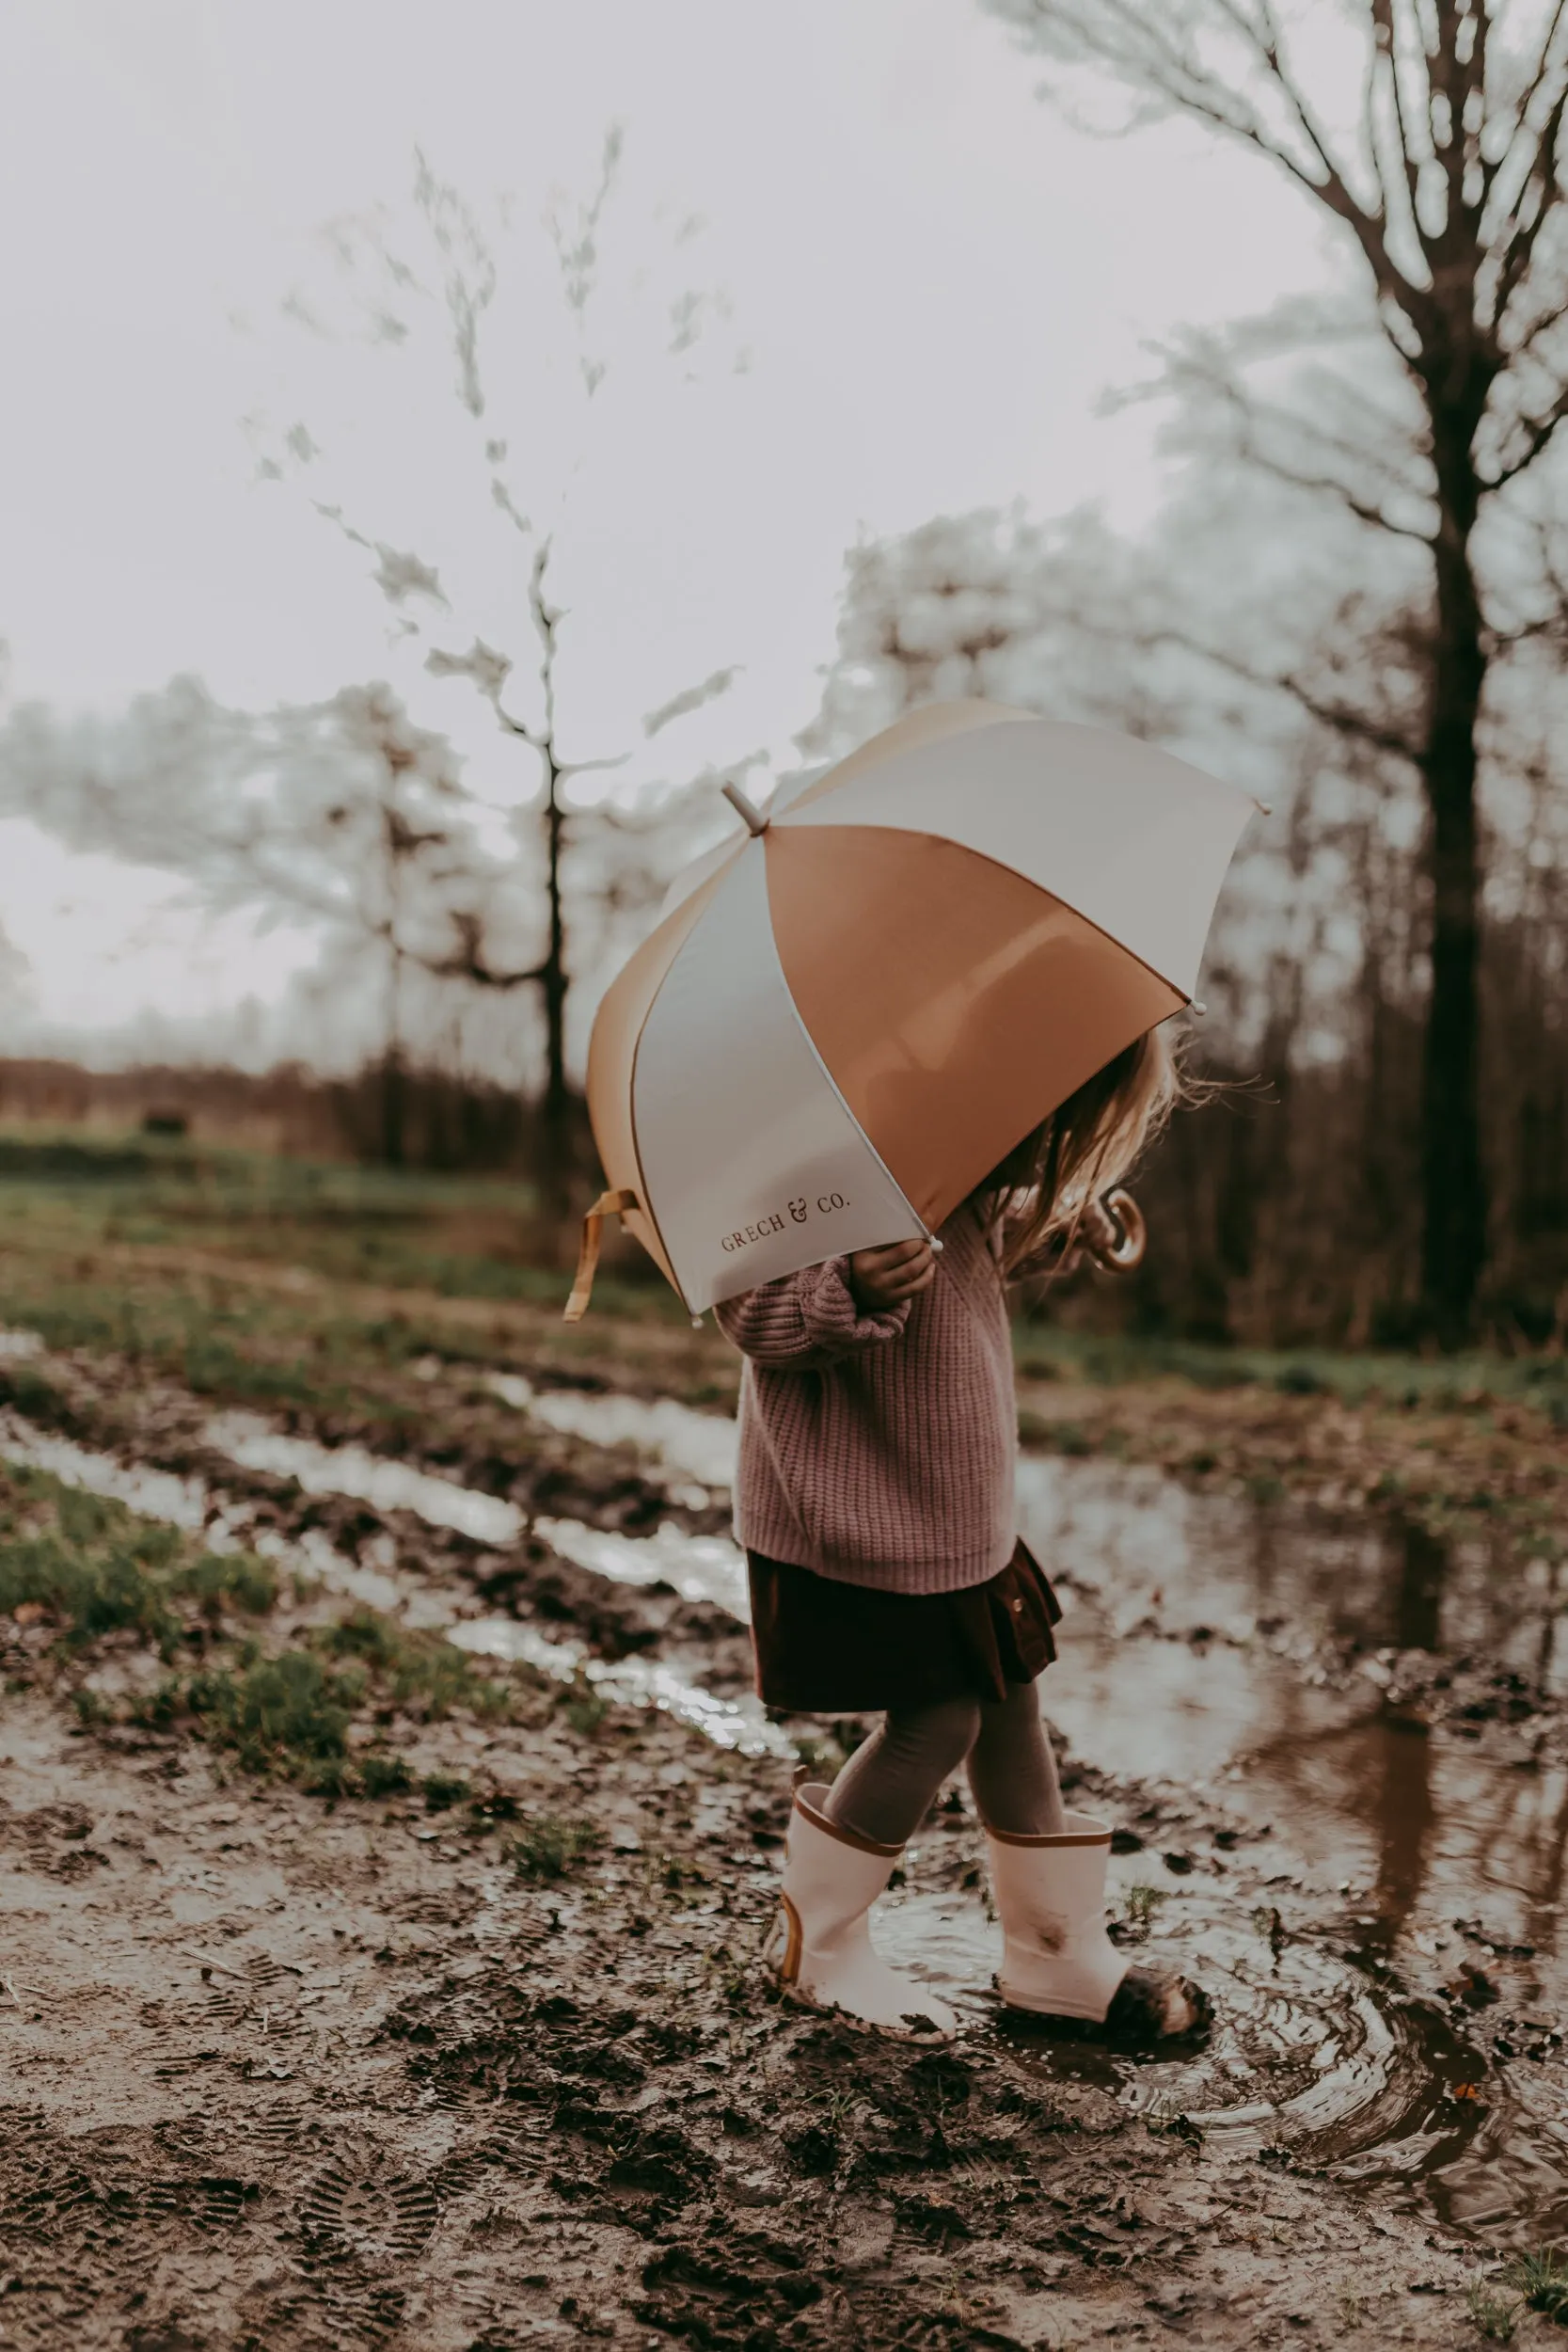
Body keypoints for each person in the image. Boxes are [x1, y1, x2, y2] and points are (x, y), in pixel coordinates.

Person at [714, 1025, 1210, 2045]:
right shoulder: (814, 1146)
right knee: (935, 1720)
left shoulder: (945, 1143)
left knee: (1009, 1696)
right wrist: (844, 1285)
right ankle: (819, 1945)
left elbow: (983, 1229)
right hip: (867, 1513)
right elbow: (749, 1311)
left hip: (956, 1507)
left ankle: (1053, 1955)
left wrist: (1067, 1217)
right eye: (1055, 1132)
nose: (1046, 1149)